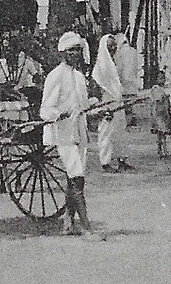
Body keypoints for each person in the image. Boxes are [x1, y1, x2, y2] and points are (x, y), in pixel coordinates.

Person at [42, 31, 93, 235]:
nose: (76, 54)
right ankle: (87, 228)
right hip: (62, 132)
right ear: (63, 53)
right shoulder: (55, 76)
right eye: (72, 51)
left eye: (78, 50)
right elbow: (45, 109)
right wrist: (58, 114)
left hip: (79, 130)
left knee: (75, 177)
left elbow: (83, 105)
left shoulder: (79, 77)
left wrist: (97, 109)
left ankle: (68, 222)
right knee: (77, 176)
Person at [92, 25, 132, 171]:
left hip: (117, 101)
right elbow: (98, 89)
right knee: (106, 133)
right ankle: (105, 161)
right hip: (106, 102)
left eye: (114, 46)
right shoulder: (100, 67)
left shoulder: (116, 63)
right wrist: (103, 108)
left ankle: (122, 159)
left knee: (121, 131)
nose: (113, 49)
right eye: (110, 47)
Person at [150, 81, 171, 159]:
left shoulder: (158, 90)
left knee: (161, 135)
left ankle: (161, 150)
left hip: (163, 114)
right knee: (162, 134)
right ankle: (163, 151)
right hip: (160, 115)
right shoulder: (156, 90)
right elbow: (157, 103)